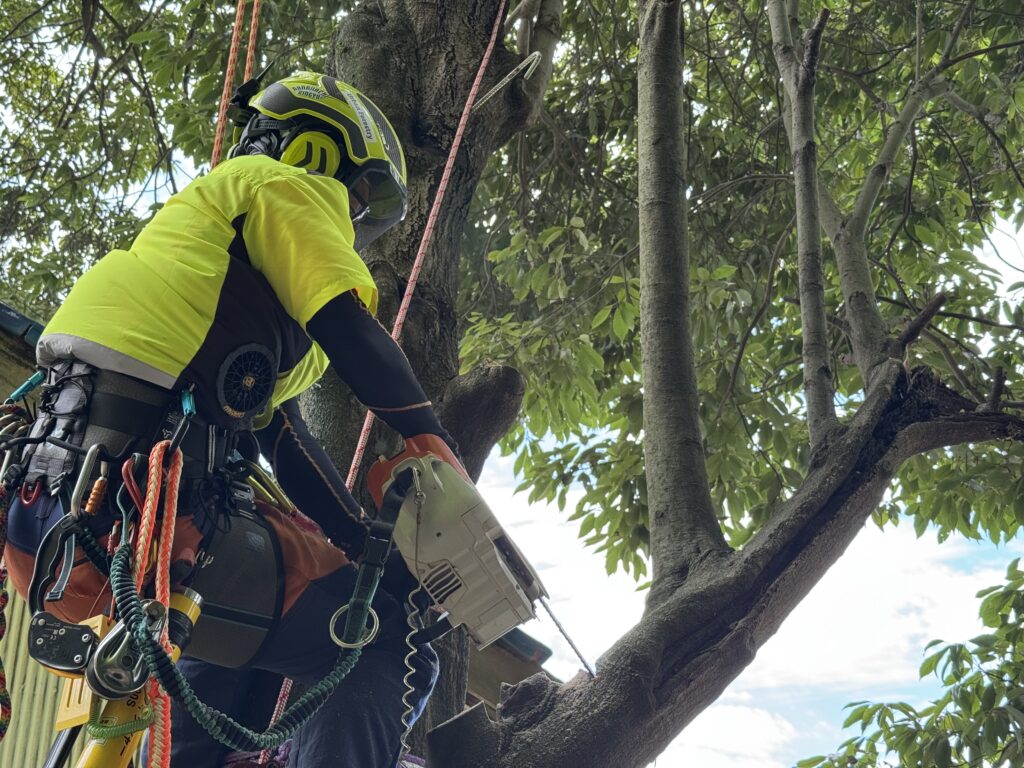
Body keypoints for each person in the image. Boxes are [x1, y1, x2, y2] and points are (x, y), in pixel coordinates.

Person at [3, 71, 456, 768]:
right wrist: (438, 456)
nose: (355, 219)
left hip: (48, 525)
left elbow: (285, 441)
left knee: (259, 636)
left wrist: (368, 549)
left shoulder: (200, 259)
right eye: (360, 194)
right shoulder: (280, 185)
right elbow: (353, 335)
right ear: (317, 154)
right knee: (375, 635)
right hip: (147, 523)